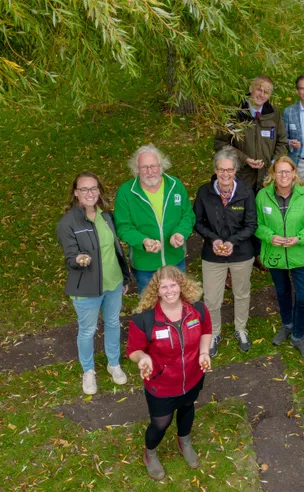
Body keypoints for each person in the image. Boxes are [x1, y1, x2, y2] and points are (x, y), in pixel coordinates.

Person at [126, 266, 212, 481]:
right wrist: (143, 358)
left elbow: (207, 331)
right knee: (160, 423)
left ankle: (185, 441)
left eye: (173, 284)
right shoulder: (144, 320)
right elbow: (133, 351)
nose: (169, 290)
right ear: (156, 290)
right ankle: (151, 453)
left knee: (187, 407)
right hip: (162, 384)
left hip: (192, 376)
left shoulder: (198, 310)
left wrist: (203, 352)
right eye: (163, 286)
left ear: (181, 286)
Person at [57, 172, 131, 395]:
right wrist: (79, 259)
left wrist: (125, 277)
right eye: (84, 189)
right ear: (76, 193)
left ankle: (113, 364)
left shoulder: (106, 216)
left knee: (112, 323)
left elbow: (116, 249)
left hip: (114, 283)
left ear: (99, 191)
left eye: (93, 188)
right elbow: (70, 255)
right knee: (87, 330)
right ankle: (88, 371)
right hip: (86, 288)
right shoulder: (67, 223)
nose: (90, 193)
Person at [193, 147, 257, 356]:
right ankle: (214, 333)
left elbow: (251, 224)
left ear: (235, 170)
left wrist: (232, 242)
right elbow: (198, 222)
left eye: (229, 170)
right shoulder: (204, 192)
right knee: (212, 298)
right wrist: (214, 239)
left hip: (241, 253)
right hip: (213, 254)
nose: (225, 174)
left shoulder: (246, 192)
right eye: (221, 170)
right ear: (215, 170)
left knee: (242, 293)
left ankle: (240, 329)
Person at [256, 157, 304, 358]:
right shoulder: (262, 196)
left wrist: (300, 238)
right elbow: (256, 225)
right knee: (282, 291)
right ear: (273, 175)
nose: (283, 176)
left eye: (287, 171)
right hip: (275, 254)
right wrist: (270, 236)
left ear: (294, 173)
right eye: (279, 172)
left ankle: (298, 335)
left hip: (300, 254)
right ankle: (287, 324)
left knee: (303, 297)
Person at [114, 144, 195, 294]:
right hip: (145, 265)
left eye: (153, 166)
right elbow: (123, 227)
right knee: (149, 309)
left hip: (175, 259)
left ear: (161, 166)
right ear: (136, 169)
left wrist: (180, 233)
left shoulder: (175, 185)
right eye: (144, 167)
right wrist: (143, 241)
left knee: (179, 302)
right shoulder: (126, 192)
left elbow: (187, 216)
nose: (150, 172)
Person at [214, 75, 288, 193]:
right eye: (259, 89)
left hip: (266, 178)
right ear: (250, 89)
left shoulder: (274, 113)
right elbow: (221, 143)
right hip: (240, 175)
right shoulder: (233, 113)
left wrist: (273, 164)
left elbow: (282, 142)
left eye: (266, 92)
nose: (262, 95)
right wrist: (245, 159)